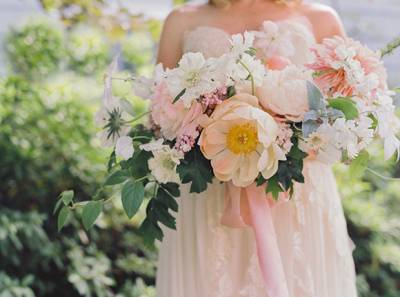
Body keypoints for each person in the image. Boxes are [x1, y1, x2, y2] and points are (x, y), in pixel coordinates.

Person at [156, 1, 358, 296]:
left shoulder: (320, 19)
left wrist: (287, 141)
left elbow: (348, 123)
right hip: (209, 198)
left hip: (295, 200)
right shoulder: (181, 20)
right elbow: (160, 114)